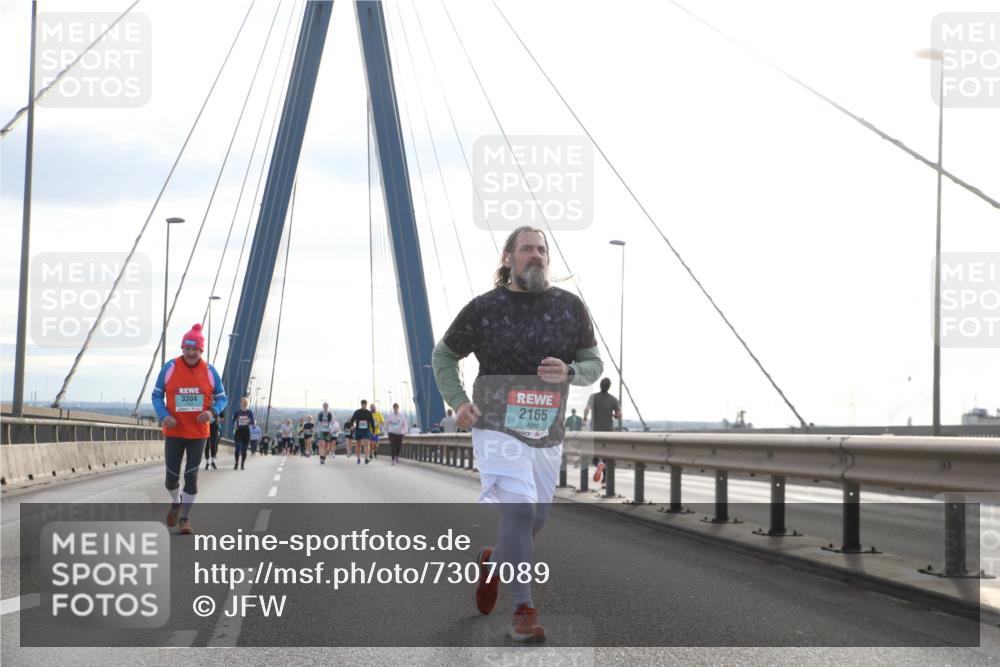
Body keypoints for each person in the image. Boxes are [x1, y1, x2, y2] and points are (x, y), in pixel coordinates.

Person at [432, 226, 602, 642]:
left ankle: (492, 562)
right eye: (527, 249)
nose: (537, 255)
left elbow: (594, 365)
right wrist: (458, 402)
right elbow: (444, 354)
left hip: (547, 430)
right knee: (521, 511)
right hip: (495, 426)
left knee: (536, 519)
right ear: (508, 258)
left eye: (542, 249)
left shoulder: (570, 307)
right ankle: (523, 609)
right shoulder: (484, 308)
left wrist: (570, 372)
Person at [152, 323, 228, 535]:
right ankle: (176, 503)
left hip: (198, 434)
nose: (191, 352)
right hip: (174, 433)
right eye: (187, 348)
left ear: (201, 350)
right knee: (171, 478)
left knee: (191, 475)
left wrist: (212, 413)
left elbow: (223, 398)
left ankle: (185, 518)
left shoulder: (210, 372)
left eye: (195, 349)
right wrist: (164, 415)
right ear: (182, 348)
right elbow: (156, 395)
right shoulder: (170, 368)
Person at [584, 377, 622, 484]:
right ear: (609, 387)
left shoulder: (593, 397)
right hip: (608, 432)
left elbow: (587, 409)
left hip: (595, 431)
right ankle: (605, 479)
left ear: (600, 385)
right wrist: (615, 415)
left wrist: (584, 418)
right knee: (607, 455)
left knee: (595, 456)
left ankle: (598, 464)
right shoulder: (613, 399)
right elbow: (619, 415)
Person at [346, 399, 376, 465]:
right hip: (358, 430)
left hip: (366, 430)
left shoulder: (369, 413)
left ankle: (366, 458)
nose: (364, 406)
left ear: (366, 405)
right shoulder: (357, 412)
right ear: (361, 405)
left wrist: (373, 431)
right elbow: (352, 420)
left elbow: (372, 422)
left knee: (366, 443)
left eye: (365, 404)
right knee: (358, 445)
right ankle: (358, 458)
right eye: (363, 404)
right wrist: (351, 426)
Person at [232, 398, 255, 470]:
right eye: (243, 402)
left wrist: (250, 423)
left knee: (244, 450)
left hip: (246, 432)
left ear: (247, 404)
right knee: (237, 448)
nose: (244, 404)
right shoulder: (237, 412)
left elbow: (253, 422)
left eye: (245, 402)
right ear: (240, 403)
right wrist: (235, 425)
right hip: (238, 432)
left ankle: (242, 464)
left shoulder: (250, 412)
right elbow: (234, 420)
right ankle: (236, 463)